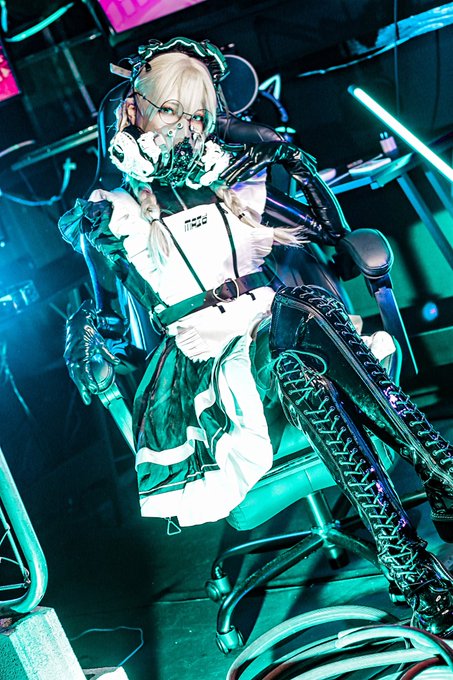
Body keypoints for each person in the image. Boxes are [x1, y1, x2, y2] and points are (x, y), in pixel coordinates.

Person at [60, 36, 453, 636]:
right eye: (171, 110)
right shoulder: (111, 210)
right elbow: (106, 294)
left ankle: (412, 570)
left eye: (199, 115)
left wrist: (280, 149)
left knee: (296, 343)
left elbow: (332, 236)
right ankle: (442, 474)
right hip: (210, 366)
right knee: (299, 313)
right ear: (134, 110)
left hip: (285, 341)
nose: (186, 127)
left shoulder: (238, 186)